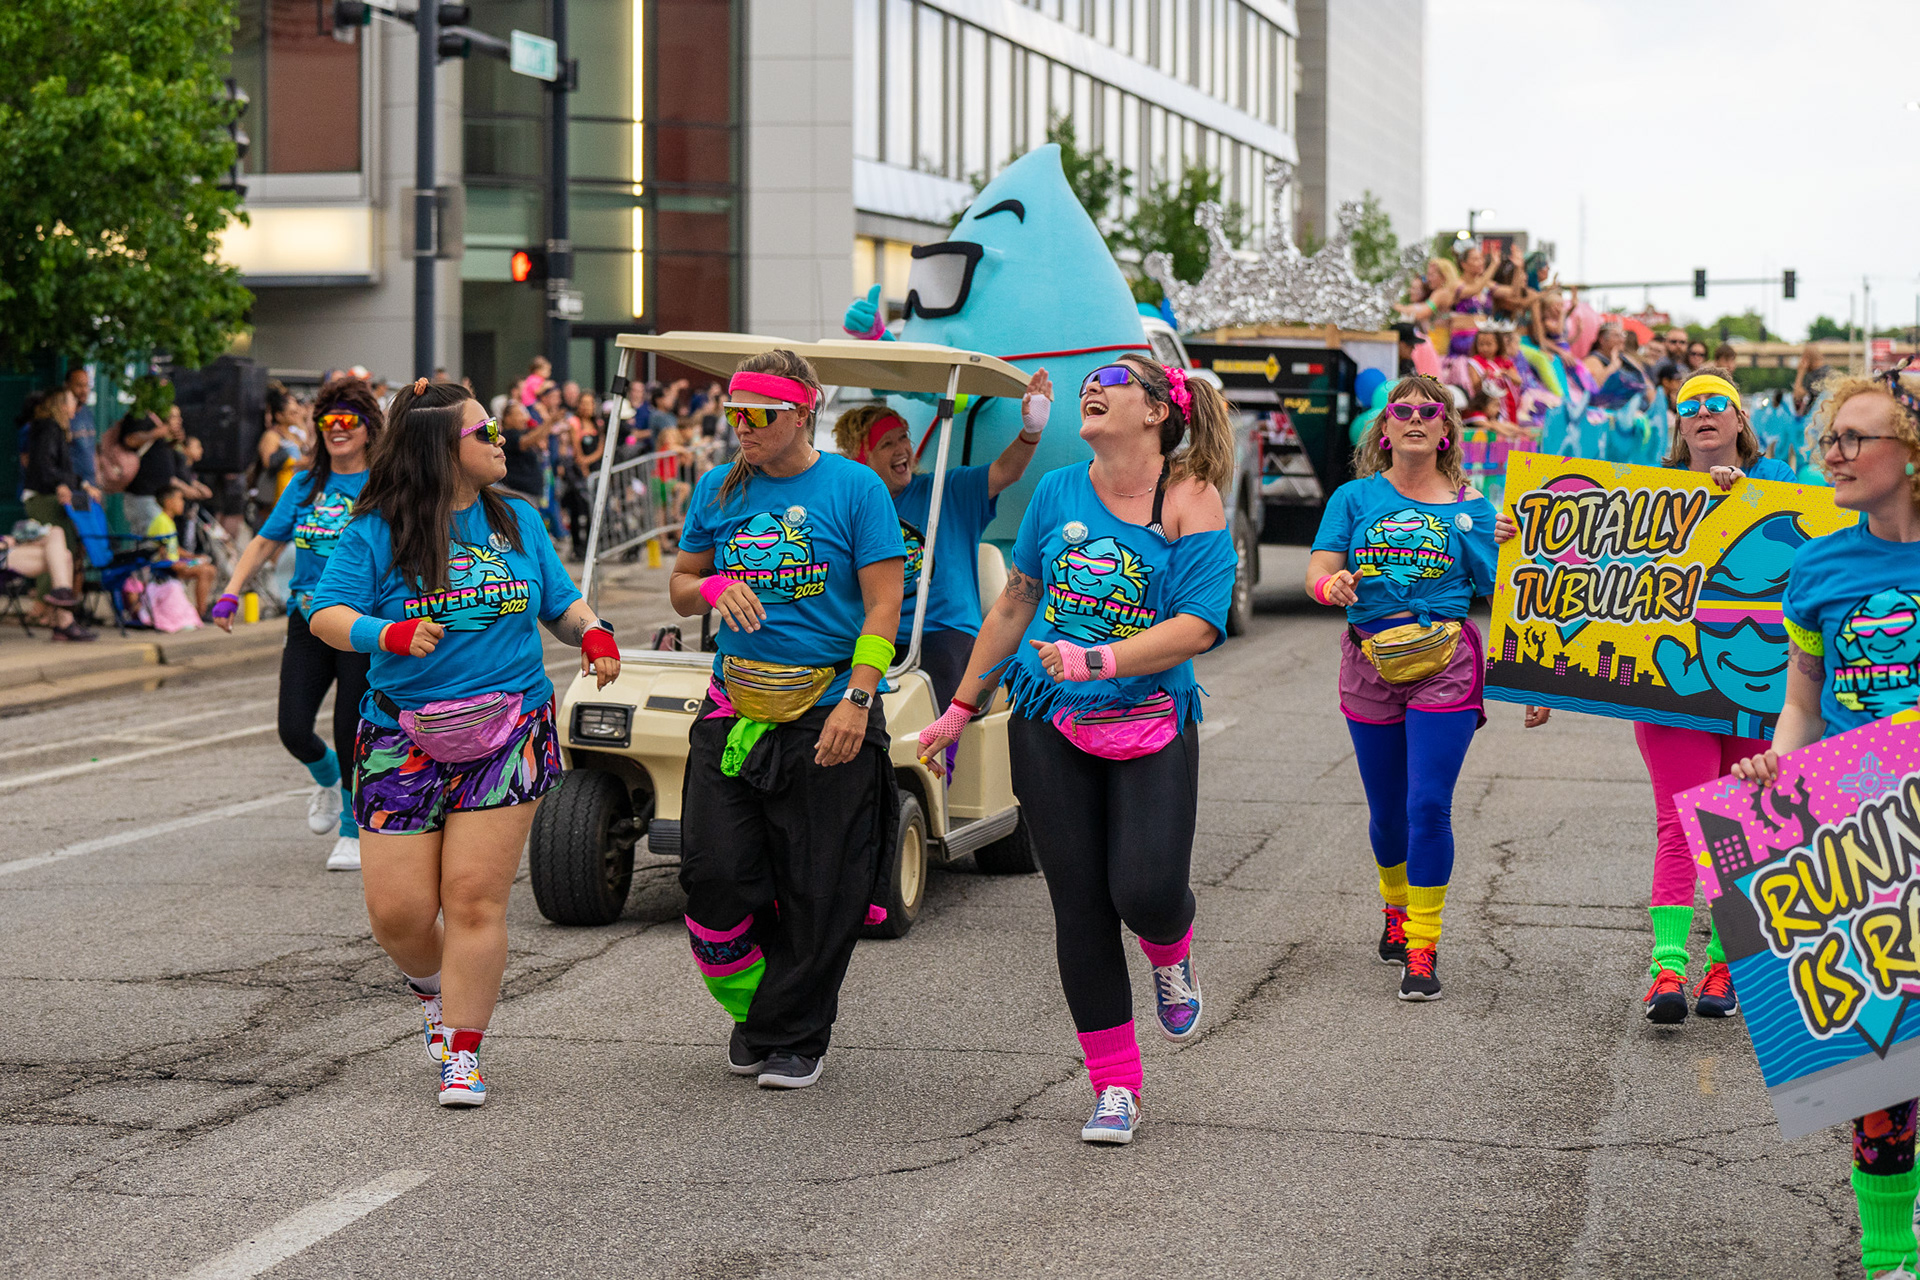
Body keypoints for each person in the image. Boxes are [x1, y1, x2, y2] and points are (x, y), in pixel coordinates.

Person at [917, 355, 1237, 1145]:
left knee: (1147, 890)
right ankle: (1115, 1086)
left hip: (1153, 714)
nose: (1094, 387)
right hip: (1051, 717)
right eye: (1090, 381)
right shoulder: (1057, 489)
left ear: (1160, 409)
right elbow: (1018, 601)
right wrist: (961, 707)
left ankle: (1171, 948)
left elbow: (1200, 623)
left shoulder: (1190, 497)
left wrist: (1102, 658)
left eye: (1116, 379)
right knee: (1081, 905)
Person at [309, 378, 619, 1109]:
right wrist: (383, 633)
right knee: (399, 915)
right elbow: (325, 614)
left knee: (474, 899)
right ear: (441, 451)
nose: (501, 438)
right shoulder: (377, 531)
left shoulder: (517, 521)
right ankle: (431, 988)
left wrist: (594, 632)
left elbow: (560, 602)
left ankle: (463, 1051)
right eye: (485, 432)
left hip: (509, 726)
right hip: (401, 736)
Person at [1512, 370, 1795, 1022]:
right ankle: (1666, 970)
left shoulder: (1780, 477)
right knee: (1681, 823)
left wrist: (1741, 492)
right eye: (1689, 405)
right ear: (1677, 422)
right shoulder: (1646, 489)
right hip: (1673, 690)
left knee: (1742, 828)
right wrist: (1543, 666)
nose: (1703, 413)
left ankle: (1726, 968)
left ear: (1740, 418)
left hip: (1759, 686)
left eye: (1715, 403)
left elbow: (1817, 538)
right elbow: (1582, 581)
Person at [670, 349, 905, 1093]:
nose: (741, 427)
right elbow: (678, 586)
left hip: (829, 704)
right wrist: (709, 584)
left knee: (817, 885)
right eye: (733, 413)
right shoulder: (719, 487)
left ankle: (794, 1032)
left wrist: (859, 698)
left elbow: (883, 606)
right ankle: (763, 1009)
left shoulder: (855, 488)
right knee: (714, 875)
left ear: (804, 411)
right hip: (734, 703)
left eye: (758, 415)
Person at [1730, 371, 1920, 1279]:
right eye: (1828, 439)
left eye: (1856, 436)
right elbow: (1803, 704)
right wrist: (1777, 761)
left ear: (1911, 452)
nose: (1833, 453)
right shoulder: (1820, 567)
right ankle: (1890, 1256)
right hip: (1860, 827)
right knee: (1875, 1055)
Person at [1305, 374, 1497, 1004]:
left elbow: (1507, 591)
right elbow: (1320, 568)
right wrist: (1329, 587)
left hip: (1446, 662)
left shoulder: (1474, 507)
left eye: (1428, 410)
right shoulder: (1355, 498)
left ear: (1446, 431)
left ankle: (1423, 944)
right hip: (1369, 662)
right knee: (1387, 815)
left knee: (1426, 807)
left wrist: (1504, 543)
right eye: (1402, 410)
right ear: (1383, 429)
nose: (1415, 417)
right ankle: (1395, 905)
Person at [212, 377, 384, 872]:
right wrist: (231, 590)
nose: (337, 428)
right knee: (293, 728)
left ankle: (352, 830)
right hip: (306, 620)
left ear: (369, 428)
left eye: (349, 419)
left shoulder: (382, 484)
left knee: (352, 728)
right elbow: (265, 542)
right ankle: (328, 780)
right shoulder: (305, 485)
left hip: (359, 623)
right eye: (328, 420)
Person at [830, 369, 1050, 709]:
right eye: (887, 444)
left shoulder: (946, 491)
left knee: (939, 682)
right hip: (876, 631)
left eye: (904, 437)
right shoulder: (851, 506)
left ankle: (938, 761)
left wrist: (1031, 430)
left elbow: (1007, 471)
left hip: (945, 631)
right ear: (862, 458)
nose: (902, 448)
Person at [1, 520, 92, 641]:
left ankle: (62, 593)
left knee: (56, 532)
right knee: (65, 557)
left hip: (7, 550)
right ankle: (64, 620)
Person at [146, 488, 217, 617]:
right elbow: (163, 551)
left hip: (176, 562)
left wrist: (193, 557)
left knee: (210, 568)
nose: (182, 503)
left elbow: (174, 548)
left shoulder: (168, 520)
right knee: (205, 571)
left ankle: (201, 608)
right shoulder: (162, 521)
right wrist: (178, 565)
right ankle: (201, 612)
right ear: (168, 502)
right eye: (179, 499)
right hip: (166, 567)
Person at [498, 402, 549, 507]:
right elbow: (525, 442)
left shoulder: (523, 433)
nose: (524, 419)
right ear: (507, 418)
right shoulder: (508, 436)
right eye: (519, 414)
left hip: (530, 495)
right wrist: (550, 421)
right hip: (517, 494)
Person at [65, 368, 97, 489]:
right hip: (71, 486)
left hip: (91, 485)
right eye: (79, 385)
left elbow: (91, 448)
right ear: (67, 386)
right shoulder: (63, 418)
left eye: (86, 386)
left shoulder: (87, 412)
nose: (84, 390)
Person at [1794, 342, 1837, 415]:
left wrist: (1800, 372)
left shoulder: (1815, 376)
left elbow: (1798, 395)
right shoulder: (1830, 372)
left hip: (1815, 417)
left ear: (1806, 358)